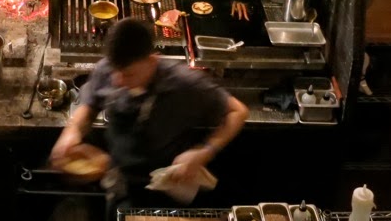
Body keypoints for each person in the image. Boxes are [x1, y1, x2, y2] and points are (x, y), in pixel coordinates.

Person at [51, 18, 248, 213]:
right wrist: (72, 131)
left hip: (161, 183)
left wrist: (205, 151)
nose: (118, 81)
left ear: (152, 61)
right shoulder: (109, 68)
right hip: (117, 173)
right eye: (115, 72)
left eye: (128, 74)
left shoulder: (185, 84)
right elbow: (90, 104)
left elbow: (238, 111)